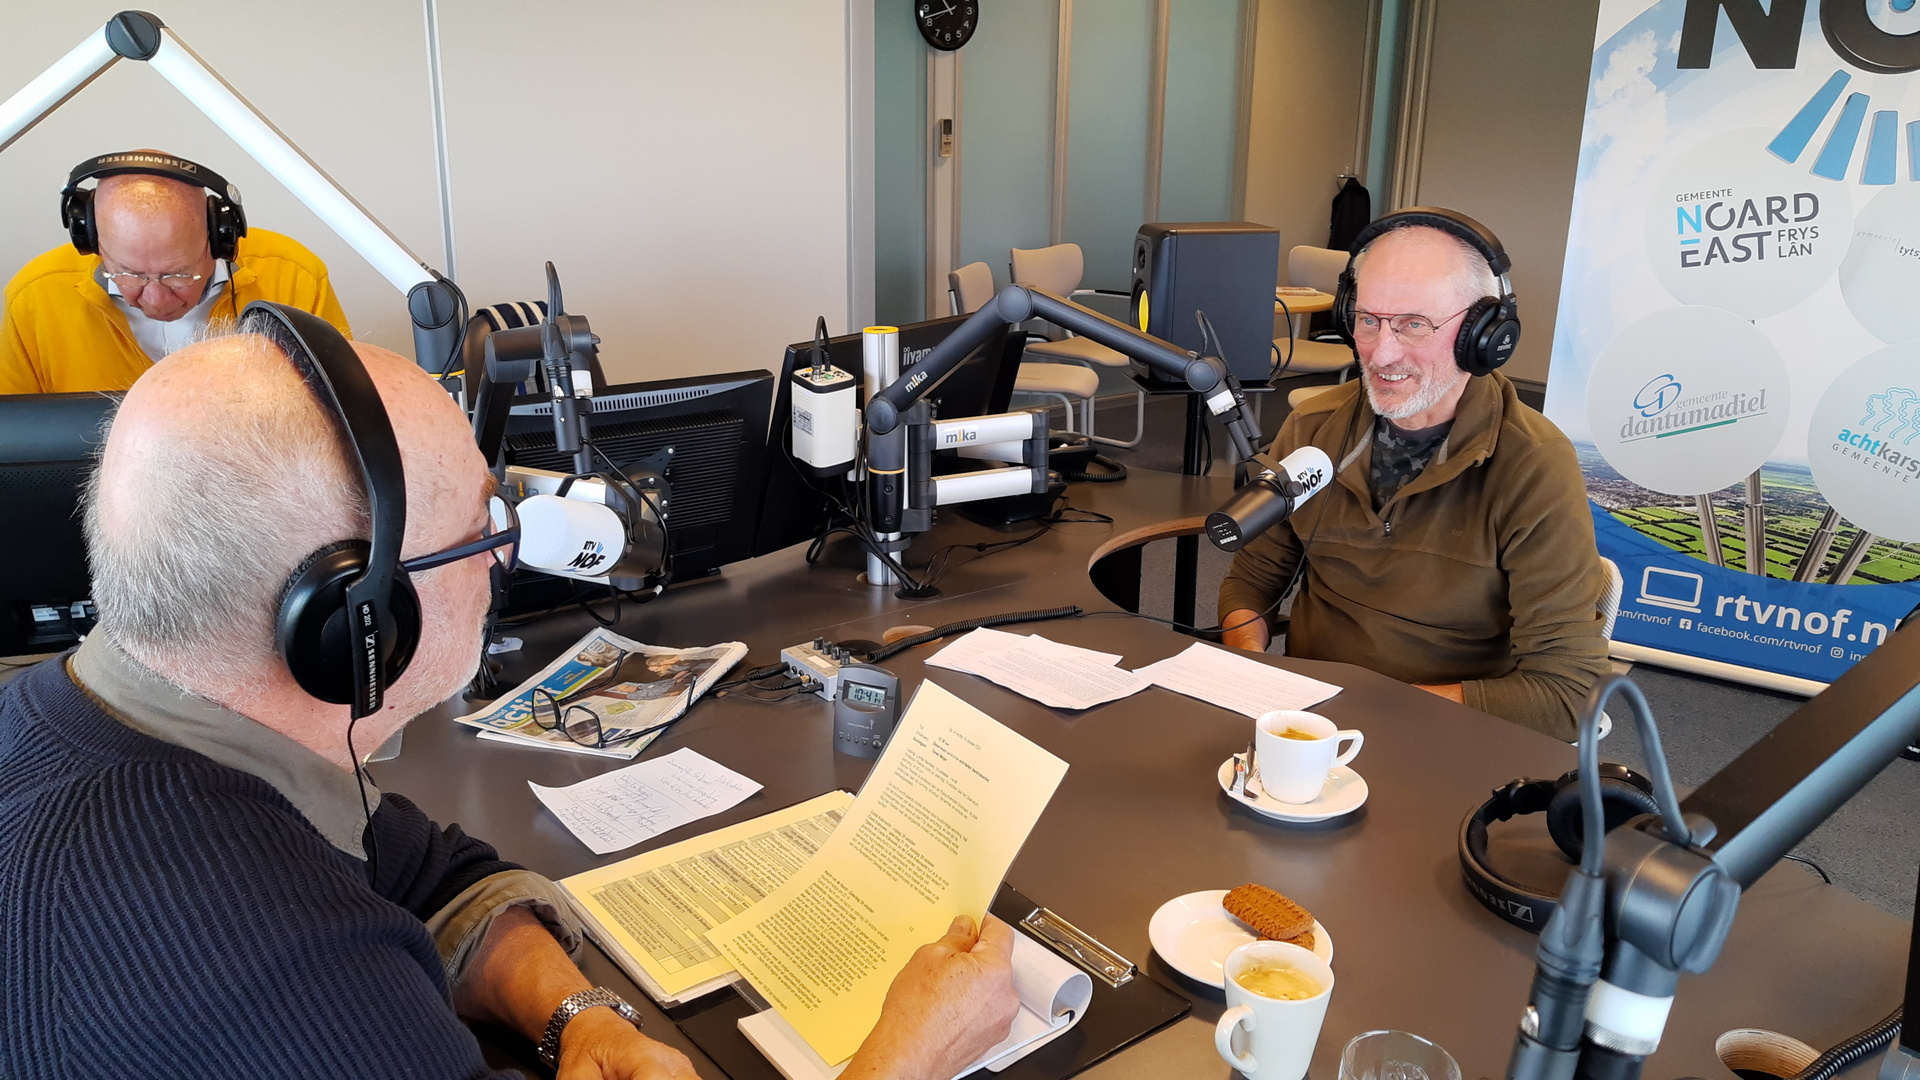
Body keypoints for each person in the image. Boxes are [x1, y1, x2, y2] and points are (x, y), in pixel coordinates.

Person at [0, 330, 1018, 1078]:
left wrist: (579, 1016)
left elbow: (434, 875)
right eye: (480, 532)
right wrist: (908, 1055)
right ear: (357, 614)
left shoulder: (113, 724)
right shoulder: (270, 983)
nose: (503, 559)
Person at [1218, 215, 1608, 740]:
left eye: (1414, 324)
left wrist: (1372, 714)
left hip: (1444, 737)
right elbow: (1252, 581)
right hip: (1308, 730)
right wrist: (1254, 672)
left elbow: (1568, 690)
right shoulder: (1313, 428)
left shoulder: (1533, 463)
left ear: (1482, 335)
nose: (1381, 354)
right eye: (1368, 320)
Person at [0, 150, 349, 394]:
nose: (155, 299)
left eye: (177, 275)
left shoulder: (295, 276)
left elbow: (342, 410)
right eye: (129, 274)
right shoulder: (35, 295)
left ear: (219, 239)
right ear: (92, 242)